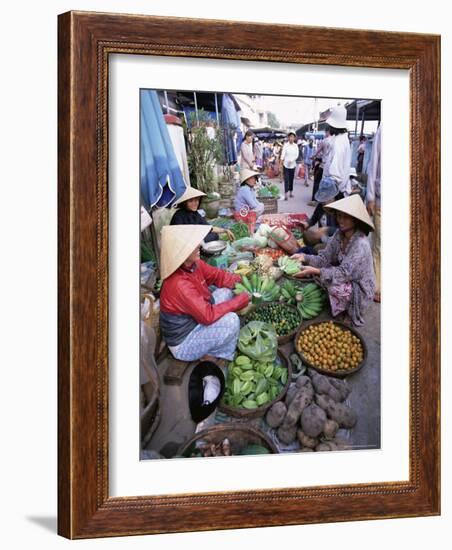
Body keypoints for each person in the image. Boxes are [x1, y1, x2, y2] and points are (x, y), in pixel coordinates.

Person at [159, 225, 250, 362]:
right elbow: (207, 316)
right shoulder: (178, 284)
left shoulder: (194, 265)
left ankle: (213, 346)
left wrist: (241, 281)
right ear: (182, 254)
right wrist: (238, 302)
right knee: (232, 320)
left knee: (226, 291)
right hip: (184, 342)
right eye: (193, 246)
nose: (199, 247)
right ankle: (221, 355)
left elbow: (218, 276)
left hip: (195, 319)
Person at [291, 194, 375, 326]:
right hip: (347, 278)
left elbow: (343, 273)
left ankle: (348, 310)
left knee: (332, 286)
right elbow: (324, 258)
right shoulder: (339, 235)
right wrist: (305, 257)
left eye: (345, 217)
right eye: (339, 215)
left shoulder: (360, 244)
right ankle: (338, 303)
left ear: (355, 220)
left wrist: (317, 271)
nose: (340, 220)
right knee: (321, 274)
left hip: (360, 288)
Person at [170, 187, 235, 242]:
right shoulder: (178, 216)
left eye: (196, 200)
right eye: (191, 201)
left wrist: (225, 230)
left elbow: (209, 228)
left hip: (195, 239)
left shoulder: (195, 214)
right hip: (184, 244)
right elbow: (178, 238)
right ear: (184, 203)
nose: (195, 203)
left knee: (214, 235)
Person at [366, 124, 381, 303]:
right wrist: (370, 196)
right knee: (379, 246)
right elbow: (373, 164)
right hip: (381, 200)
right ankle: (377, 286)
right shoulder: (384, 129)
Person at [323, 105, 352, 197]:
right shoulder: (343, 139)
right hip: (336, 189)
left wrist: (327, 197)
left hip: (333, 190)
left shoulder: (339, 142)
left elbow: (335, 175)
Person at [309, 128, 332, 206]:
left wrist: (313, 157)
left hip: (323, 165)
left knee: (317, 182)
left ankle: (314, 200)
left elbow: (317, 152)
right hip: (331, 167)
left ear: (327, 131)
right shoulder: (335, 141)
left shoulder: (324, 141)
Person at [280, 131, 299, 200]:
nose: (291, 138)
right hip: (286, 165)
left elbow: (297, 155)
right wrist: (281, 162)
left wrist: (292, 160)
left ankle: (291, 192)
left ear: (294, 138)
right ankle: (286, 194)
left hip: (293, 165)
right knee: (286, 179)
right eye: (290, 137)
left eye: (293, 137)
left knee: (291, 179)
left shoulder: (295, 146)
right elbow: (283, 154)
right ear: (288, 138)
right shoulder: (285, 145)